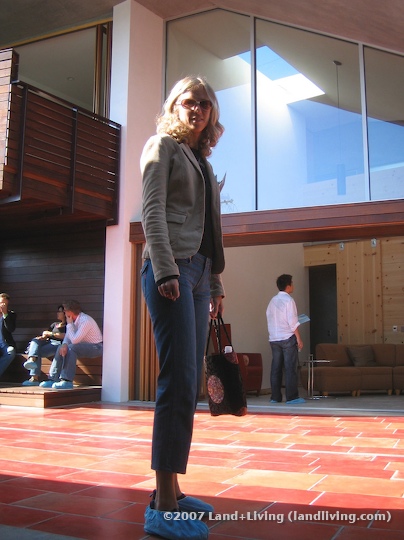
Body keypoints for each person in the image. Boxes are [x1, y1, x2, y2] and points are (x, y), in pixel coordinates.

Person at [140, 75, 225, 540]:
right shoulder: (163, 147)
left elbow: (210, 230)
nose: (198, 110)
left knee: (190, 383)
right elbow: (152, 211)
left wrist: (214, 282)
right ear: (175, 105)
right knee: (176, 380)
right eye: (190, 102)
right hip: (170, 268)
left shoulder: (203, 162)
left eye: (205, 105)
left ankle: (170, 488)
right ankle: (163, 508)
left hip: (199, 273)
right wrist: (166, 269)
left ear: (212, 115)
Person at [39, 299, 103, 390]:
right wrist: (64, 344)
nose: (64, 313)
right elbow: (68, 337)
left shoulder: (85, 321)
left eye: (65, 311)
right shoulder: (72, 320)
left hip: (96, 347)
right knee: (61, 347)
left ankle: (67, 380)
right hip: (82, 346)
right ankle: (53, 378)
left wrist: (69, 325)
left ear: (70, 312)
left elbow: (75, 340)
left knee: (71, 348)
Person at [266, 274, 305, 405]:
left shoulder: (272, 301)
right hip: (287, 337)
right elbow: (292, 322)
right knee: (290, 368)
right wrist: (299, 338)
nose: (293, 285)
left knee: (276, 368)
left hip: (274, 338)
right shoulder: (289, 300)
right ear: (288, 286)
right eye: (292, 283)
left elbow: (269, 317)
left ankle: (275, 397)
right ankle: (292, 397)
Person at [22, 305, 67, 386]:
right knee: (35, 341)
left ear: (65, 313)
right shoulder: (54, 324)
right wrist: (43, 337)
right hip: (48, 342)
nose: (57, 313)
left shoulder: (68, 325)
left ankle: (34, 378)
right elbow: (46, 335)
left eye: (59, 311)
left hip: (58, 344)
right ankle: (31, 360)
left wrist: (50, 334)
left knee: (36, 352)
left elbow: (65, 336)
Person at [0, 292, 17, 378]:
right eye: (1, 303)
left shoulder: (11, 315)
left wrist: (5, 314)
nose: (2, 305)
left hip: (5, 344)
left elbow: (11, 329)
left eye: (5, 304)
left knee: (11, 352)